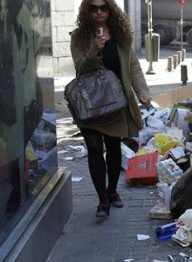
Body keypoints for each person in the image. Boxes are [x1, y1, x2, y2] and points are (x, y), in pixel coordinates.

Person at [71, 0, 151, 218]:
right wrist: (95, 49)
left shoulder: (120, 35)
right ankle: (102, 200)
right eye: (94, 8)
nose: (99, 12)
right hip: (90, 103)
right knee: (95, 148)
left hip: (115, 103)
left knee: (113, 147)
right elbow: (80, 68)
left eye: (103, 7)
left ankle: (113, 190)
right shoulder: (79, 37)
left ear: (110, 10)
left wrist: (142, 91)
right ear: (87, 11)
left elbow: (132, 66)